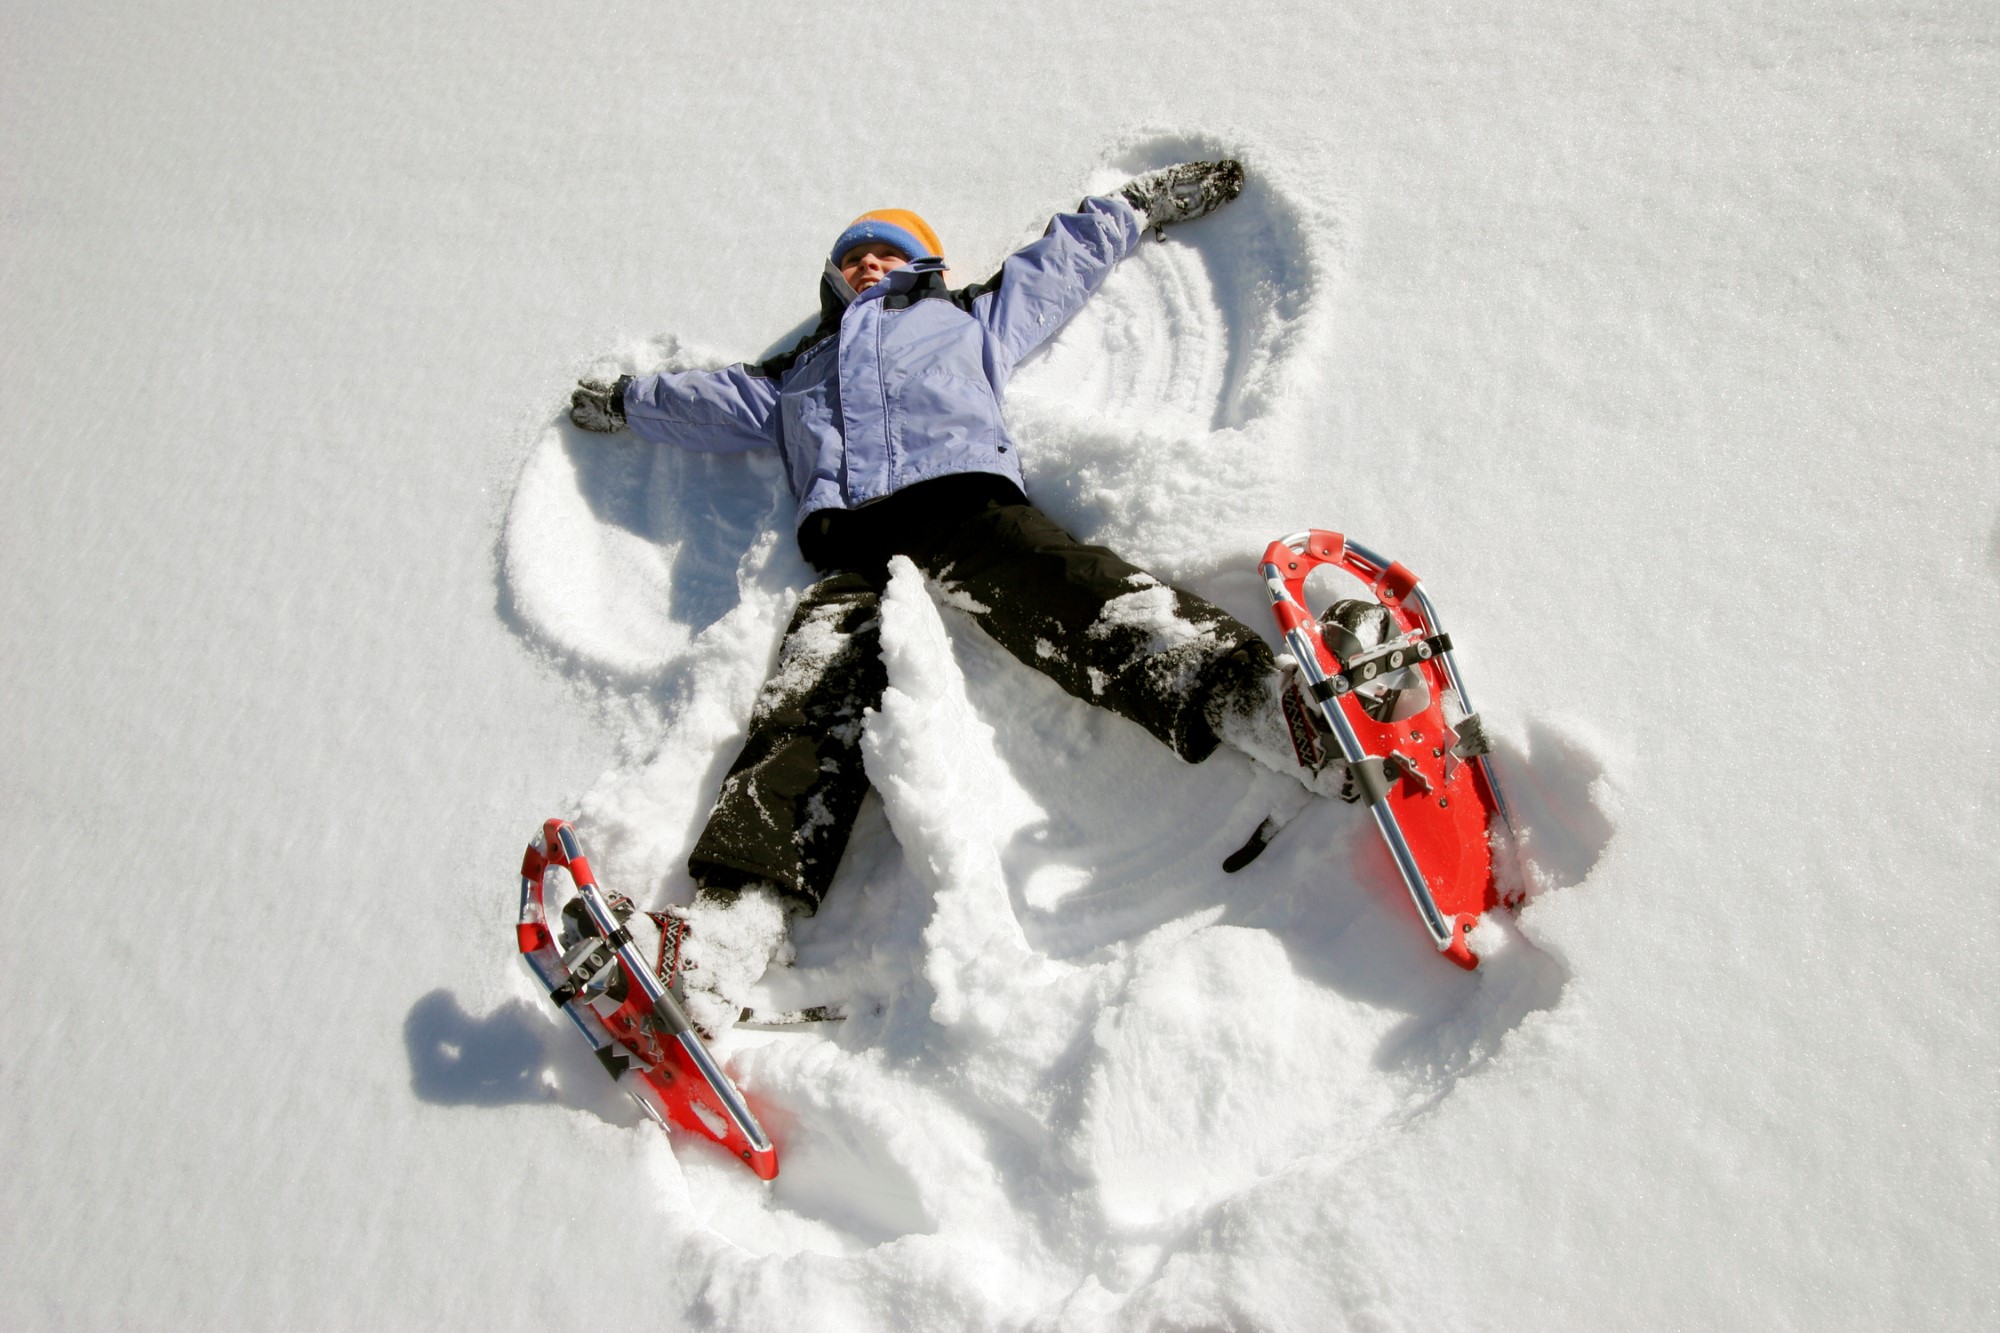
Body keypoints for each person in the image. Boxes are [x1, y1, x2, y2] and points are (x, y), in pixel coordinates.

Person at [567, 160, 1327, 1036]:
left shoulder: (965, 315)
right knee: (808, 698)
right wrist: (629, 400)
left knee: (1073, 591)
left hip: (964, 503)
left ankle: (1262, 705)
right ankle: (732, 930)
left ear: (922, 264)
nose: (867, 264)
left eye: (887, 252)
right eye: (852, 256)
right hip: (852, 545)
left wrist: (1137, 207)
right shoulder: (796, 372)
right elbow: (706, 402)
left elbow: (1063, 260)